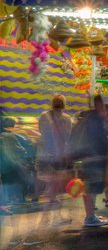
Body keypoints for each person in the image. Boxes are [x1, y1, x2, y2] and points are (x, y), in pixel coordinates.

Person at [72, 95, 108, 227]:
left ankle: (91, 215)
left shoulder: (86, 118)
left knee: (90, 188)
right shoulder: (95, 120)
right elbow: (100, 139)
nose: (105, 112)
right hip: (93, 158)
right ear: (99, 105)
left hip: (87, 158)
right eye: (104, 107)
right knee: (91, 189)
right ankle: (90, 217)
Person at [37, 94, 73, 222]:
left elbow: (41, 132)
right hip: (59, 155)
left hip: (45, 154)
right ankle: (54, 215)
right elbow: (69, 137)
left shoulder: (43, 116)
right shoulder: (67, 118)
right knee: (56, 185)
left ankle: (47, 214)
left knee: (50, 183)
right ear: (64, 104)